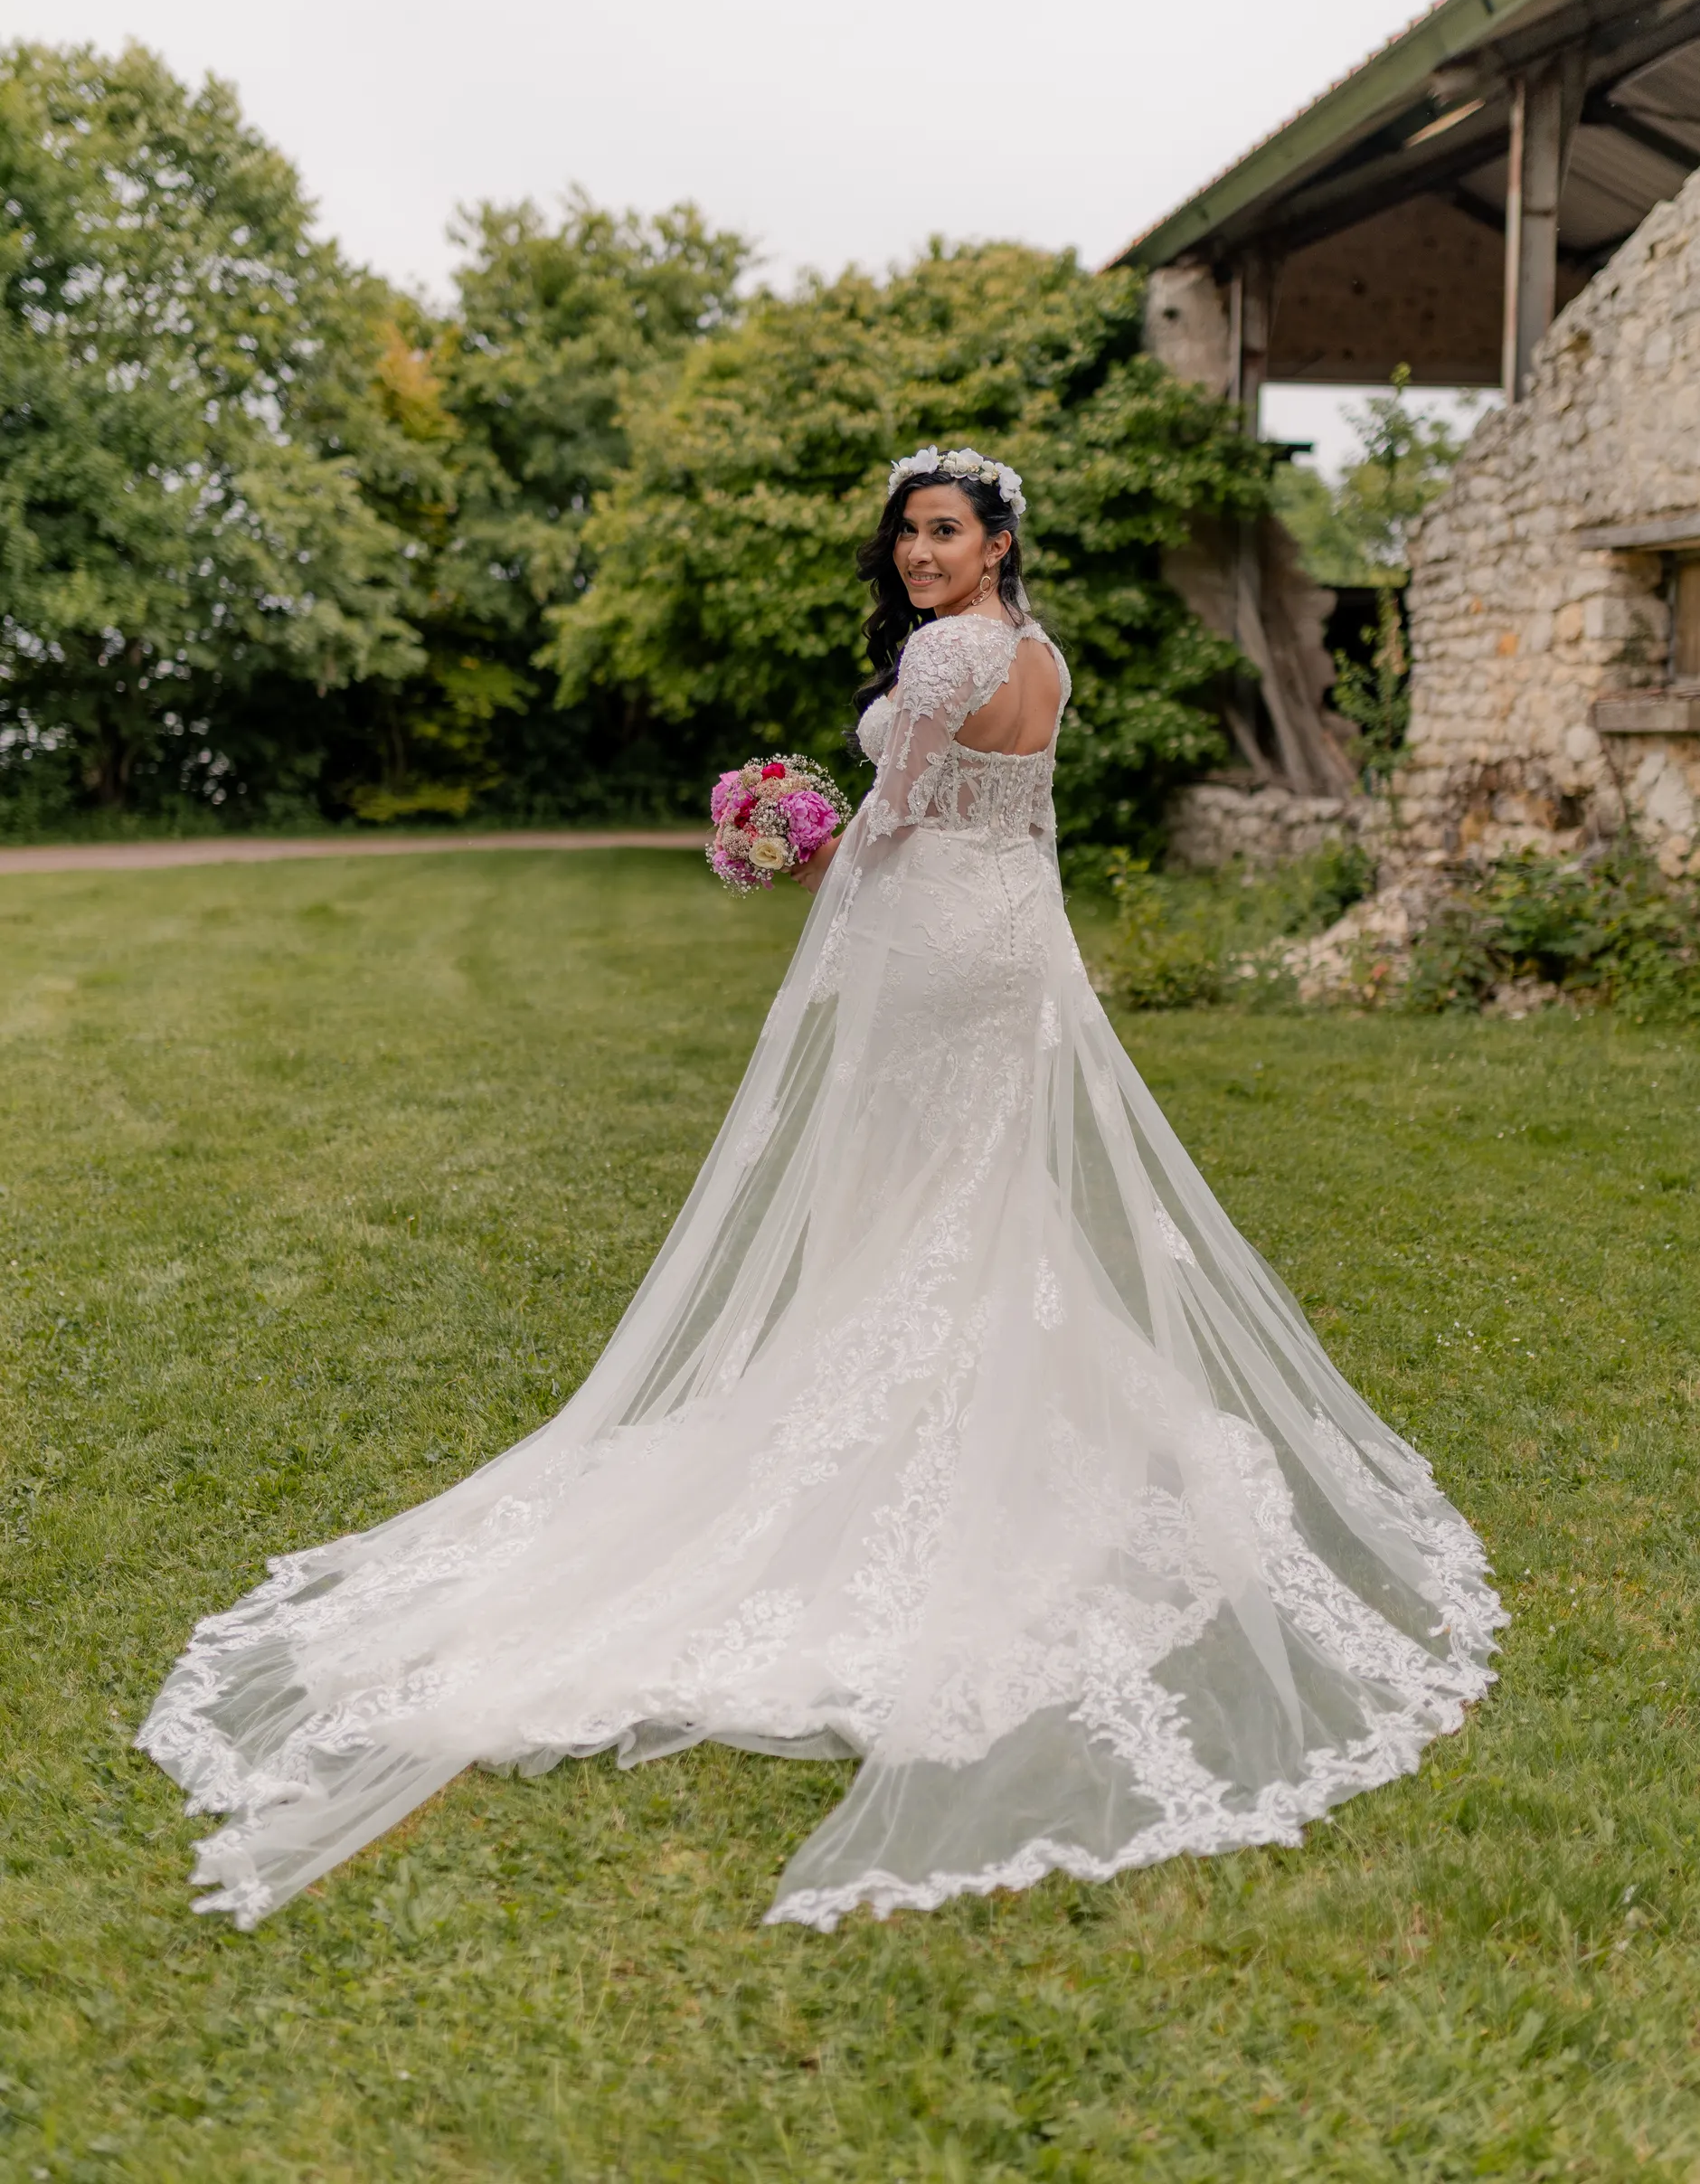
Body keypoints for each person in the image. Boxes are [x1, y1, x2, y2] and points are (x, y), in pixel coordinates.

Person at [139, 445, 1502, 1932]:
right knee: (980, 1194)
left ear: (995, 542)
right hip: (1013, 941)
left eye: (944, 531)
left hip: (931, 942)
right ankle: (996, 1420)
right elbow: (1023, 821)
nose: (919, 554)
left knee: (901, 1193)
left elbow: (890, 827)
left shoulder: (943, 657)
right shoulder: (1043, 657)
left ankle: (891, 1424)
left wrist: (792, 852)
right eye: (908, 533)